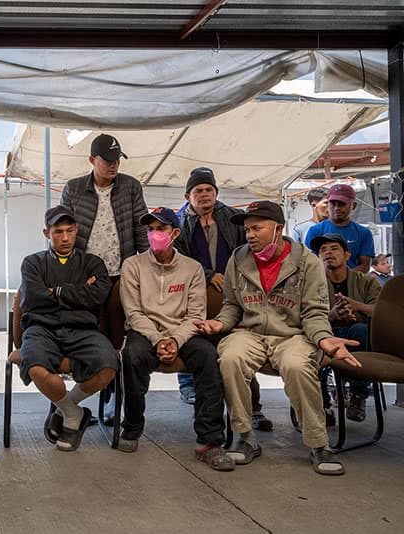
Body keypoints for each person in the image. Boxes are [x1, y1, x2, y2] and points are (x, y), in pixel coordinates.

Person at [195, 200, 361, 476]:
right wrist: (220, 324)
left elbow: (314, 313)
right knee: (231, 357)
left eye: (256, 228)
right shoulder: (238, 258)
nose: (249, 235)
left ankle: (319, 444)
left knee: (297, 366)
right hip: (251, 333)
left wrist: (324, 340)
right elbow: (232, 305)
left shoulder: (307, 262)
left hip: (293, 335)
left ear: (278, 229)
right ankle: (244, 436)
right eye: (247, 229)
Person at [119, 207, 233, 470]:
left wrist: (176, 340)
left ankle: (209, 441)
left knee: (207, 356)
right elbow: (134, 313)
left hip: (184, 331)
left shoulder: (192, 269)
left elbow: (195, 314)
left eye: (161, 229)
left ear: (175, 233)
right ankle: (133, 426)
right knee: (132, 356)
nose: (155, 234)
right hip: (146, 332)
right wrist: (158, 339)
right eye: (150, 230)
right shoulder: (132, 265)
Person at [60, 133, 149, 424]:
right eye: (107, 160)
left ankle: (112, 397)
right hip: (86, 277)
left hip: (121, 273)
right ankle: (79, 395)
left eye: (117, 160)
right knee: (88, 334)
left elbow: (141, 229)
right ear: (92, 160)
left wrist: (145, 268)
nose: (113, 166)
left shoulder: (131, 187)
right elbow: (65, 232)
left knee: (117, 338)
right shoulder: (74, 189)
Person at [175, 168, 272, 433]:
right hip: (194, 293)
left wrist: (232, 277)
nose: (204, 195)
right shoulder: (179, 223)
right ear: (188, 196)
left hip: (234, 294)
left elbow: (248, 251)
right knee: (194, 339)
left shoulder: (232, 217)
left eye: (209, 190)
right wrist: (208, 275)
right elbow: (177, 256)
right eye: (198, 191)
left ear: (216, 193)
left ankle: (254, 409)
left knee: (239, 346)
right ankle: (191, 390)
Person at [18, 206, 119, 451]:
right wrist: (80, 291)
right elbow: (33, 298)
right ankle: (73, 414)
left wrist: (57, 291)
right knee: (35, 366)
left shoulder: (93, 263)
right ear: (46, 233)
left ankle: (67, 408)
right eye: (58, 232)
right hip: (41, 328)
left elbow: (98, 295)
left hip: (83, 329)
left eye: (70, 231)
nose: (65, 237)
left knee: (108, 365)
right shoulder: (32, 263)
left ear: (77, 231)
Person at [314, 233, 380, 423]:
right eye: (323, 250)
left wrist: (356, 306)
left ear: (347, 255)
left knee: (361, 330)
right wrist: (332, 316)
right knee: (308, 345)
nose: (328, 253)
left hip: (356, 337)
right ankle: (323, 405)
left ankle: (358, 396)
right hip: (327, 336)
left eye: (334, 248)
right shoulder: (311, 283)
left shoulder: (366, 281)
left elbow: (381, 310)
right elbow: (302, 316)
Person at [305, 184, 374, 273]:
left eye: (342, 204)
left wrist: (343, 278)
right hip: (323, 284)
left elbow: (364, 266)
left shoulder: (363, 233)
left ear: (353, 205)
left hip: (352, 284)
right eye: (333, 204)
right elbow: (309, 264)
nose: (337, 208)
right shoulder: (315, 231)